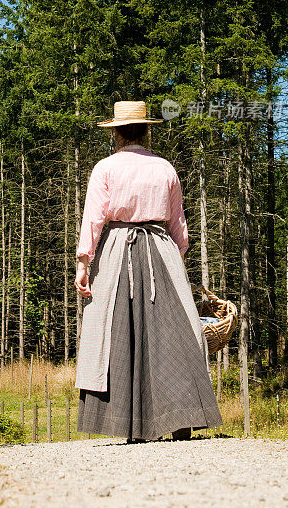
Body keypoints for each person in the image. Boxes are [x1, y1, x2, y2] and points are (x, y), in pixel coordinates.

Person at [74, 101, 222, 442]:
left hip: (116, 249)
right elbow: (178, 225)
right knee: (174, 332)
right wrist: (175, 261)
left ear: (116, 133)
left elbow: (94, 220)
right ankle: (180, 419)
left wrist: (84, 264)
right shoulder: (166, 168)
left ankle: (128, 424)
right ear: (146, 130)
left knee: (116, 331)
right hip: (161, 249)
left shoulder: (105, 168)